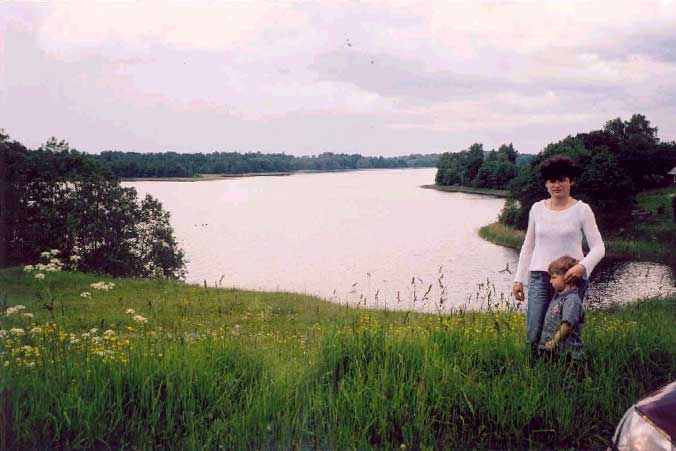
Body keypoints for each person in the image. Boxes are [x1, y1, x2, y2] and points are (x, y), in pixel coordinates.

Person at [511, 155, 605, 354]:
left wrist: (582, 267)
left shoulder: (582, 210)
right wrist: (519, 280)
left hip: (572, 278)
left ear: (571, 181)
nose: (557, 185)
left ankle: (565, 370)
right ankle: (536, 370)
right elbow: (528, 247)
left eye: (562, 180)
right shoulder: (537, 209)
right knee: (534, 330)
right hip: (539, 277)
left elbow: (599, 247)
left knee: (566, 330)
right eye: (552, 181)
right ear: (546, 183)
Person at [538, 256, 586, 361]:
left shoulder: (571, 300)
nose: (550, 281)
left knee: (567, 375)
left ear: (568, 277)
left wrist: (553, 342)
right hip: (555, 352)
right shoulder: (558, 296)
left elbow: (567, 325)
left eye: (554, 277)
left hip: (568, 355)